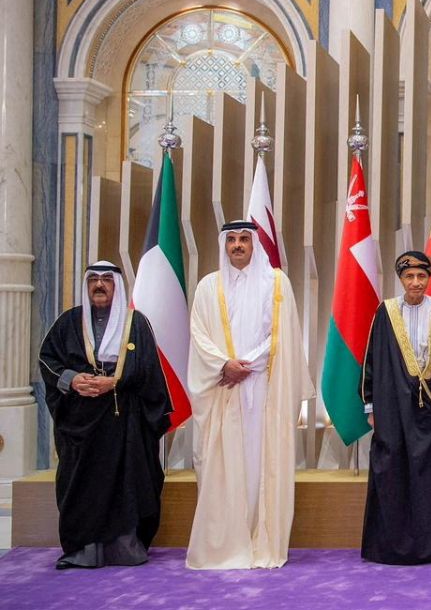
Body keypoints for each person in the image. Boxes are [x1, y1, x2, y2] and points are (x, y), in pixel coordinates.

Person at [186, 221, 313, 569]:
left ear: (255, 244)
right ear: (224, 245)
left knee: (260, 462)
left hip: (263, 386)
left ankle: (261, 538)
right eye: (232, 240)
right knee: (223, 464)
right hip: (222, 387)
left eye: (244, 239)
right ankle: (227, 543)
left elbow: (283, 333)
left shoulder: (276, 283)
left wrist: (249, 364)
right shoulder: (207, 287)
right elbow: (198, 335)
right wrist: (224, 364)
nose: (238, 245)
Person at [38, 261, 172, 569]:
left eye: (106, 280)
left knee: (128, 480)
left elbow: (150, 369)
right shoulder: (68, 322)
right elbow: (47, 360)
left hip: (124, 421)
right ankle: (81, 550)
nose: (99, 285)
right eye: (94, 280)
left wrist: (115, 381)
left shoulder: (135, 323)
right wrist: (71, 379)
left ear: (116, 285)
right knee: (81, 483)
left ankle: (124, 547)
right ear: (87, 285)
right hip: (81, 423)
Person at [360, 251, 431, 565]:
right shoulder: (385, 312)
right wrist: (370, 405)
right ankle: (392, 547)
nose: (415, 283)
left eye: (421, 276)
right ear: (401, 279)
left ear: (429, 278)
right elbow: (372, 361)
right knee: (393, 473)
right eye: (409, 277)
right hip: (393, 411)